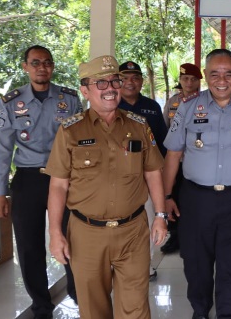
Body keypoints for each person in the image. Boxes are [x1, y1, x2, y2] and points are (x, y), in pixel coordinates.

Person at [46, 55, 168, 319]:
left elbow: (153, 172)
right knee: (93, 309)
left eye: (114, 81)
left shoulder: (139, 126)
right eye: (100, 83)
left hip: (133, 231)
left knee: (136, 308)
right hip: (86, 234)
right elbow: (58, 186)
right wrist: (55, 233)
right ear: (85, 90)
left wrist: (160, 216)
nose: (110, 88)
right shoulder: (70, 131)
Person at [162, 48, 231, 319]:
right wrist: (165, 196)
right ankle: (200, 311)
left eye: (229, 74)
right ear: (206, 75)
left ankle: (230, 313)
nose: (222, 80)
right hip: (196, 199)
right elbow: (173, 155)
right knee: (196, 263)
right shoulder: (188, 107)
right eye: (215, 74)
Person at [0, 45, 81, 319]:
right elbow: (1, 150)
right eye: (36, 62)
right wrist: (0, 193)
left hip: (64, 178)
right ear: (25, 67)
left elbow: (81, 143)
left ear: (52, 67)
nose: (42, 67)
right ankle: (42, 306)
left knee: (73, 240)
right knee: (29, 247)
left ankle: (80, 295)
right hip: (28, 179)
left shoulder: (70, 100)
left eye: (47, 62)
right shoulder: (10, 103)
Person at [118, 60, 169, 280]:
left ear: (141, 81)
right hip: (117, 176)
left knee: (148, 220)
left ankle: (146, 265)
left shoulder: (152, 106)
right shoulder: (110, 104)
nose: (130, 83)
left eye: (135, 78)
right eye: (125, 78)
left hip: (146, 174)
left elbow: (162, 142)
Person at [161, 62, 202, 254]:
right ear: (180, 80)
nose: (189, 82)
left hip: (196, 162)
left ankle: (194, 237)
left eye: (193, 79)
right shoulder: (173, 102)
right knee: (174, 198)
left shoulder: (205, 102)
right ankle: (175, 236)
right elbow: (164, 130)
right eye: (185, 78)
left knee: (194, 200)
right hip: (175, 163)